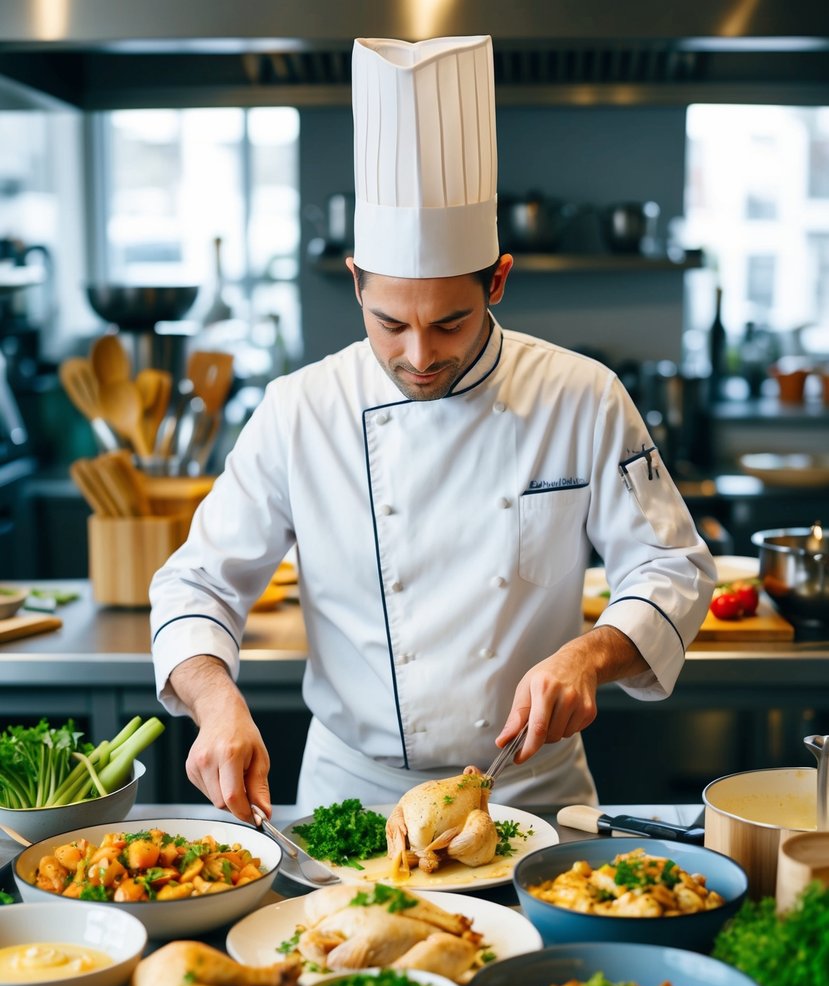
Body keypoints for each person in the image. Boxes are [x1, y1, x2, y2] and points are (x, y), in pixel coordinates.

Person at [149, 34, 715, 823]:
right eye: (389, 323)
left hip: (529, 792)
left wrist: (589, 654)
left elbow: (673, 567)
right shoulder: (299, 409)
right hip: (351, 798)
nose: (418, 357)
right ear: (354, 280)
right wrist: (215, 702)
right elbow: (196, 580)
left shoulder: (581, 394)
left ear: (499, 280)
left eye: (450, 322)